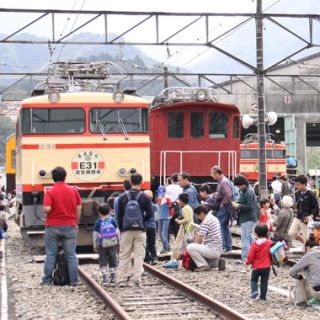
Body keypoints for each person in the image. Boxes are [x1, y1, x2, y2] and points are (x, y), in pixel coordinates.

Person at [42, 166, 82, 285]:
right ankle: (74, 280)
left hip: (52, 227)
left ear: (53, 178)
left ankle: (47, 280)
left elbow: (47, 209)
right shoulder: (73, 191)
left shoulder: (50, 191)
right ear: (65, 177)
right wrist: (76, 222)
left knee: (50, 254)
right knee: (71, 255)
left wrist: (45, 209)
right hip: (69, 226)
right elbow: (79, 208)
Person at [116, 173, 153, 287]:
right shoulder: (144, 197)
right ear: (141, 182)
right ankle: (136, 279)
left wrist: (122, 228)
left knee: (125, 254)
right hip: (140, 230)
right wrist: (142, 222)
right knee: (139, 255)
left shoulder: (122, 197)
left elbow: (119, 215)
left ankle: (122, 279)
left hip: (126, 230)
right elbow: (150, 214)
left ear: (130, 182)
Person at [289, 221, 320, 305]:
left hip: (317, 291)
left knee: (301, 278)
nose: (312, 232)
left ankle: (302, 300)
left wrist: (299, 276)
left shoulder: (310, 255)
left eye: (314, 230)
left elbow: (292, 272)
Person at [187, 204, 222, 271]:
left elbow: (198, 241)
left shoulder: (206, 221)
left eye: (198, 216)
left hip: (212, 250)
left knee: (190, 247)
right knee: (199, 247)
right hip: (218, 249)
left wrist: (192, 243)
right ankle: (214, 263)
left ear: (202, 213)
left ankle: (203, 265)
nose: (198, 218)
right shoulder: (214, 218)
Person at [164, 192, 194, 269]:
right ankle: (180, 260)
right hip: (189, 228)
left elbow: (187, 219)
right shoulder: (189, 207)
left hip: (186, 229)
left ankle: (174, 260)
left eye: (179, 200)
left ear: (181, 201)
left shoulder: (184, 209)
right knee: (184, 246)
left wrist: (179, 221)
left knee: (180, 244)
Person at [232, 175, 258, 262]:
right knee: (249, 237)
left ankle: (245, 257)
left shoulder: (249, 192)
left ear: (243, 184)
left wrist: (238, 205)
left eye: (239, 185)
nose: (238, 187)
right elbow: (243, 201)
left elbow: (249, 206)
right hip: (247, 218)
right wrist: (237, 203)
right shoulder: (245, 190)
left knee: (245, 238)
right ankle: (257, 253)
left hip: (248, 218)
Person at [289, 175, 319, 246]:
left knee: (307, 238)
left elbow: (316, 208)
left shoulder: (311, 194)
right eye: (296, 184)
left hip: (306, 220)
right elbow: (298, 205)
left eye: (298, 184)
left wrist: (311, 216)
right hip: (298, 218)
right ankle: (303, 241)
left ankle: (306, 252)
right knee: (291, 233)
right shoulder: (297, 193)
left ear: (304, 184)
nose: (296, 186)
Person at [93, 203, 119, 286]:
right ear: (110, 211)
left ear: (99, 213)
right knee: (113, 260)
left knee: (103, 261)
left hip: (102, 244)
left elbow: (95, 235)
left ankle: (104, 280)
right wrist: (119, 243)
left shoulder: (98, 222)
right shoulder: (113, 220)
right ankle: (113, 279)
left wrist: (95, 245)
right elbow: (117, 232)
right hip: (112, 244)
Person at [246, 224, 273, 300]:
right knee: (264, 282)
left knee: (254, 279)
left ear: (256, 234)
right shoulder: (269, 243)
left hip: (256, 267)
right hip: (267, 267)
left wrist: (247, 262)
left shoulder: (254, 244)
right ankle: (263, 296)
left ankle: (254, 291)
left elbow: (250, 256)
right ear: (266, 233)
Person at [211, 166, 234, 252]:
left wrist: (222, 204)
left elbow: (228, 194)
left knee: (220, 226)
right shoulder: (223, 180)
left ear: (217, 173)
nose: (211, 175)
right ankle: (228, 246)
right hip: (227, 207)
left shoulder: (223, 182)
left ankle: (222, 246)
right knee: (225, 226)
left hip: (224, 207)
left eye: (212, 174)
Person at [144, 190, 158, 265]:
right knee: (152, 243)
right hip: (153, 226)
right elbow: (156, 217)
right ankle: (154, 257)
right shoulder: (155, 206)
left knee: (145, 243)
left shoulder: (143, 206)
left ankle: (147, 258)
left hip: (145, 226)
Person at [166, 173, 182, 239]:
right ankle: (177, 242)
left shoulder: (168, 187)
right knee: (177, 227)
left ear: (172, 180)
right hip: (178, 207)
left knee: (167, 226)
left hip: (169, 207)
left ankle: (167, 244)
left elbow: (164, 197)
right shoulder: (181, 187)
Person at [157, 186, 172, 253]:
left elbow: (171, 208)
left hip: (166, 217)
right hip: (160, 217)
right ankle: (166, 247)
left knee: (163, 234)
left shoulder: (168, 198)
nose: (161, 193)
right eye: (160, 192)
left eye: (162, 192)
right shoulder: (159, 198)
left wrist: (170, 216)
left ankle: (166, 247)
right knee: (160, 234)